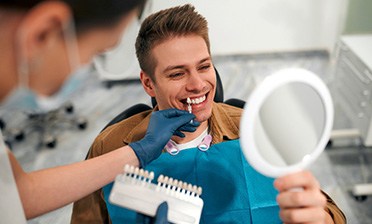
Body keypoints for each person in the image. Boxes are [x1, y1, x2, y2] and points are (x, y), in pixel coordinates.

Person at [71, 4, 346, 224]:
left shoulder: (257, 131)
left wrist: (319, 218)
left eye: (204, 66)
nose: (198, 84)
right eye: (177, 73)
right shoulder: (109, 148)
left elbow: (330, 214)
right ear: (148, 83)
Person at [0, 1, 198, 223]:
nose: (197, 84)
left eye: (204, 66)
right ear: (43, 34)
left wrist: (138, 152)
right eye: (96, 53)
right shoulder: (107, 142)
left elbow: (17, 194)